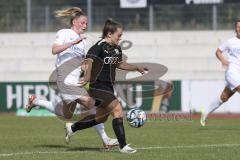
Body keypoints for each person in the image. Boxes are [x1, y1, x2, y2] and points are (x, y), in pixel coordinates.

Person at [25, 7, 118, 149]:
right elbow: (54, 50)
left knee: (65, 114)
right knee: (93, 104)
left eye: (86, 24)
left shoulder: (83, 42)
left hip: (75, 81)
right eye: (83, 23)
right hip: (64, 79)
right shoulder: (64, 33)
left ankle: (36, 101)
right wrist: (72, 43)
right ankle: (105, 140)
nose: (85, 26)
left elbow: (81, 64)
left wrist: (87, 69)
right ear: (74, 22)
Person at [64, 18, 148, 153]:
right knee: (117, 110)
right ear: (109, 34)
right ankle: (123, 146)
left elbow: (119, 64)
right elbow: (89, 61)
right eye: (119, 35)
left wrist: (136, 67)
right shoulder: (99, 46)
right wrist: (86, 77)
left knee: (100, 118)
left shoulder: (117, 48)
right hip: (97, 86)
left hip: (108, 87)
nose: (120, 38)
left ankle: (72, 128)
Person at [200, 20, 240, 126]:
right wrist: (223, 60)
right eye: (238, 27)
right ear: (235, 29)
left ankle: (205, 112)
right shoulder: (230, 41)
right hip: (232, 72)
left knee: (224, 97)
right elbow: (218, 51)